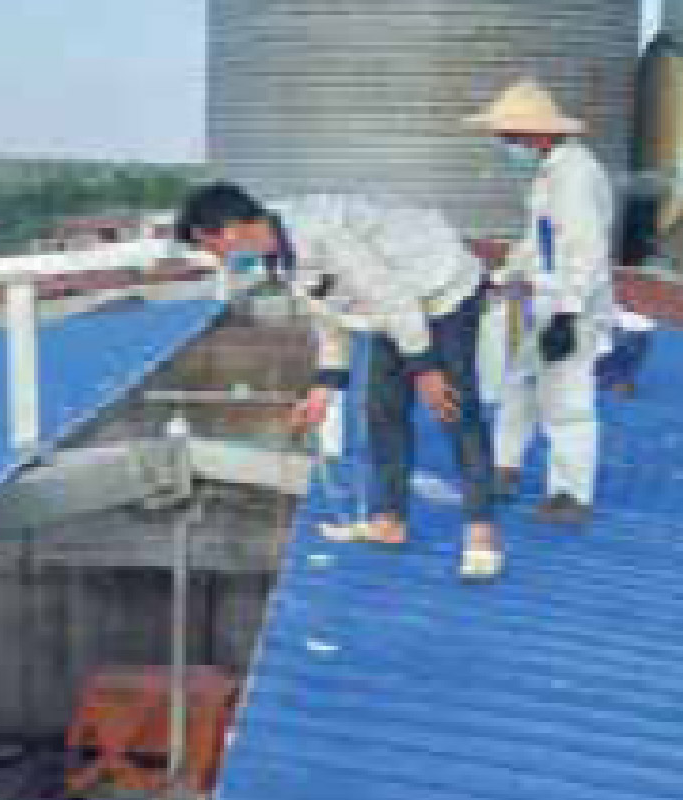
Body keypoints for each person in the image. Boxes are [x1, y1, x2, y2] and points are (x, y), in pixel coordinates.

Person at [173, 182, 503, 582]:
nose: (215, 257)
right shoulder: (279, 251)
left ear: (230, 231)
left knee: (452, 404)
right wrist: (321, 391)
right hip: (397, 305)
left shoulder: (321, 233)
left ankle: (482, 532)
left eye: (210, 246)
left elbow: (391, 297)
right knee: (382, 407)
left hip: (442, 286)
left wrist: (426, 369)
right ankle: (389, 520)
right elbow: (329, 317)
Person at [466, 77, 617, 523]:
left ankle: (571, 494)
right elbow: (539, 240)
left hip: (571, 303)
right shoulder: (551, 174)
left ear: (536, 134)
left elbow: (586, 250)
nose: (506, 145)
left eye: (509, 137)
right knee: (519, 382)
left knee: (567, 398)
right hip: (543, 297)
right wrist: (503, 276)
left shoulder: (575, 176)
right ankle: (504, 467)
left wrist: (568, 314)